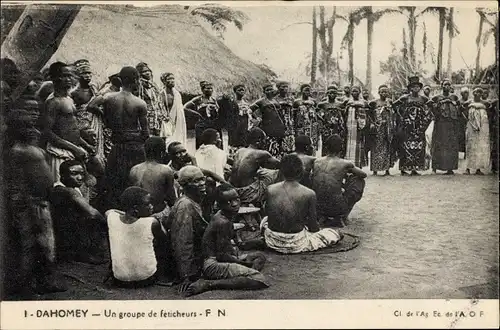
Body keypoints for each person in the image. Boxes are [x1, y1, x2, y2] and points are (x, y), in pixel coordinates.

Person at [5, 108, 67, 296]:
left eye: (32, 126)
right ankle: (30, 284)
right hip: (32, 202)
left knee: (40, 243)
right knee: (36, 244)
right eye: (26, 127)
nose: (32, 130)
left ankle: (38, 280)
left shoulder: (26, 149)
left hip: (35, 201)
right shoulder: (22, 151)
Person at [180, 184, 269, 296]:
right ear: (219, 204)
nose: (235, 204)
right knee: (259, 279)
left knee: (260, 257)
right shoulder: (223, 222)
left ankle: (239, 276)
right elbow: (222, 256)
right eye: (228, 202)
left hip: (220, 258)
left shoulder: (224, 215)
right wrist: (242, 263)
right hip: (213, 264)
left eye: (236, 199)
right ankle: (210, 284)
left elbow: (229, 247)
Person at [261, 154, 343, 254]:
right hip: (296, 243)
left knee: (264, 221)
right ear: (301, 172)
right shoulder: (309, 193)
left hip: (272, 239)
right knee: (334, 234)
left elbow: (268, 214)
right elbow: (313, 228)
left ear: (281, 171)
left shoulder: (270, 189)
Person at [99, 66, 149, 210]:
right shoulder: (139, 103)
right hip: (134, 146)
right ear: (136, 81)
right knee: (135, 182)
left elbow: (94, 108)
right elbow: (145, 133)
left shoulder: (109, 98)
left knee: (115, 183)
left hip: (117, 144)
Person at [105, 187, 168, 288]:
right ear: (135, 208)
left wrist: (127, 213)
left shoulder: (111, 217)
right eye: (148, 204)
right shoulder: (151, 222)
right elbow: (165, 240)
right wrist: (159, 222)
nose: (151, 207)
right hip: (146, 278)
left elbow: (111, 210)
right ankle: (163, 274)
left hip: (119, 279)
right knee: (159, 241)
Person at [41, 61, 93, 182]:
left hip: (72, 150)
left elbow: (69, 128)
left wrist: (85, 145)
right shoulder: (53, 102)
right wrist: (75, 148)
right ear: (55, 78)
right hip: (60, 152)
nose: (69, 79)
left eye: (70, 76)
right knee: (63, 189)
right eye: (65, 76)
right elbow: (47, 132)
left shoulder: (68, 99)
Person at [50, 160, 106, 264]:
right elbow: (92, 212)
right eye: (74, 174)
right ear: (62, 175)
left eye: (82, 174)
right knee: (93, 219)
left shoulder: (64, 187)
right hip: (66, 232)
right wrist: (108, 223)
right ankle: (83, 254)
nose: (80, 178)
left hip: (64, 231)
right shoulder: (68, 191)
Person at [167, 166, 210, 289]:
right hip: (191, 263)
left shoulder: (194, 200)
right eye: (196, 181)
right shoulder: (185, 205)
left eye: (202, 179)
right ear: (185, 185)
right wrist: (186, 275)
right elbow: (182, 241)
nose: (202, 183)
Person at [312, 134, 367, 227]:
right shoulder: (345, 163)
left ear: (327, 147)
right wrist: (347, 175)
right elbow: (363, 175)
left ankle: (322, 216)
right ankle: (342, 216)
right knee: (359, 180)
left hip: (317, 206)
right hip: (336, 207)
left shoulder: (317, 161)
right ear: (341, 148)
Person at [71, 59, 105, 185]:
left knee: (97, 150)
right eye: (85, 73)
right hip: (83, 124)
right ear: (79, 75)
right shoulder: (74, 92)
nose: (88, 76)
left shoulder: (94, 88)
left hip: (96, 123)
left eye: (89, 73)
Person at [129, 137, 177, 223]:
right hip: (156, 215)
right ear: (162, 153)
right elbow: (171, 199)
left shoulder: (134, 169)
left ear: (145, 151)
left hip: (137, 214)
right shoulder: (165, 170)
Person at [230, 127, 280, 207]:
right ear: (258, 141)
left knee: (261, 172)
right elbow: (280, 165)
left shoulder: (239, 151)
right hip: (248, 191)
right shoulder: (262, 153)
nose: (265, 143)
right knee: (275, 173)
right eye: (264, 140)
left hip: (234, 189)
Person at [393, 76, 433, 176]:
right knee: (405, 146)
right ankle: (403, 168)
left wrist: (425, 118)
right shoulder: (405, 98)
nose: (416, 88)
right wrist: (401, 116)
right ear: (410, 88)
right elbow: (394, 105)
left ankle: (414, 168)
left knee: (417, 147)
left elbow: (431, 105)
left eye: (417, 87)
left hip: (419, 126)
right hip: (407, 126)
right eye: (413, 86)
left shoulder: (423, 98)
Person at [430, 79, 460, 175]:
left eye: (448, 85)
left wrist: (452, 103)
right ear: (441, 86)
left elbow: (459, 105)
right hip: (440, 124)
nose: (447, 86)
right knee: (439, 144)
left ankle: (450, 168)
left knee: (451, 145)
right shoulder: (437, 97)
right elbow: (430, 104)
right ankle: (435, 167)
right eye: (445, 84)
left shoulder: (454, 97)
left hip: (451, 124)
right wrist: (438, 105)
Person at [250, 84, 287, 159]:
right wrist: (257, 118)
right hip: (267, 125)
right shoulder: (261, 101)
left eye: (271, 89)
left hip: (278, 125)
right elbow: (250, 110)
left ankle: (278, 160)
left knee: (279, 143)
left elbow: (280, 113)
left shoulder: (276, 100)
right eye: (267, 90)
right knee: (269, 143)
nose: (270, 91)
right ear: (264, 92)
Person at [184, 81, 221, 150]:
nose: (209, 90)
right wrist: (196, 114)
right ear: (202, 90)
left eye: (211, 88)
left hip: (212, 124)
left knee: (214, 143)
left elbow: (218, 111)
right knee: (201, 144)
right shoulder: (198, 99)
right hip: (201, 125)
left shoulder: (213, 100)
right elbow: (185, 107)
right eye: (207, 88)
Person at [218, 84, 252, 157]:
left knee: (243, 142)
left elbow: (249, 116)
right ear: (235, 92)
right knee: (234, 143)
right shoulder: (231, 103)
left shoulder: (246, 103)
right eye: (239, 90)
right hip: (234, 126)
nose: (241, 91)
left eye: (243, 90)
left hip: (244, 125)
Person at [368, 85, 395, 176]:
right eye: (382, 91)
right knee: (376, 148)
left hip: (387, 128)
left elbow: (394, 112)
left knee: (387, 147)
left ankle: (387, 169)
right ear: (379, 92)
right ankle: (375, 169)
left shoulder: (390, 102)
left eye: (386, 92)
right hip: (377, 128)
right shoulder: (374, 102)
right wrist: (372, 123)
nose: (384, 93)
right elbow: (369, 113)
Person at [465, 87, 491, 175]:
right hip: (471, 126)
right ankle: (468, 168)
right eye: (475, 92)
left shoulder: (484, 103)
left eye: (479, 92)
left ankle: (478, 168)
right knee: (470, 145)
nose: (477, 94)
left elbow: (490, 106)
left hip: (482, 126)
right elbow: (462, 108)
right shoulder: (469, 102)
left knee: (480, 146)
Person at [317, 84, 347, 156]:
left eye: (334, 93)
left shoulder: (340, 104)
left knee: (337, 142)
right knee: (326, 142)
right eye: (330, 93)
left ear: (336, 94)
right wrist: (322, 121)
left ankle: (337, 159)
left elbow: (344, 114)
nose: (332, 94)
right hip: (327, 127)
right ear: (327, 93)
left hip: (338, 128)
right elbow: (317, 113)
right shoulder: (323, 104)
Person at [159, 72, 188, 147]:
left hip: (178, 121)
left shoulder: (177, 94)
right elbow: (160, 109)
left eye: (173, 78)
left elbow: (180, 109)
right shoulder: (162, 94)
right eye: (169, 79)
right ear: (164, 81)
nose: (172, 81)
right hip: (168, 122)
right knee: (168, 142)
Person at [344, 86, 370, 168]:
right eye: (353, 91)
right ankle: (349, 164)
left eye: (356, 91)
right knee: (349, 144)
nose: (354, 93)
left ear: (359, 92)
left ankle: (359, 165)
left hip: (359, 127)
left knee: (359, 144)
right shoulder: (347, 101)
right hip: (349, 127)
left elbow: (366, 106)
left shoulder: (363, 102)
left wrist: (354, 104)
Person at [293, 83, 319, 153]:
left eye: (309, 90)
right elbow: (294, 114)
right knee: (301, 141)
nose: (308, 92)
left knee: (311, 142)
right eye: (306, 90)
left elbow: (316, 114)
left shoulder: (313, 101)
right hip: (301, 126)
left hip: (312, 125)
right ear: (301, 91)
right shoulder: (296, 102)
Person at [275, 81, 296, 154]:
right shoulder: (275, 99)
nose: (285, 89)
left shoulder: (291, 99)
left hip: (289, 123)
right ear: (278, 88)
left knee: (290, 142)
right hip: (279, 121)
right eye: (283, 87)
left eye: (286, 87)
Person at [458, 87, 471, 155]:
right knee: (461, 136)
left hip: (469, 121)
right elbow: (458, 112)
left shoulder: (470, 102)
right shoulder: (459, 102)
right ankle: (461, 153)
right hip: (461, 122)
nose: (466, 94)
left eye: (467, 93)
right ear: (462, 94)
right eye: (465, 93)